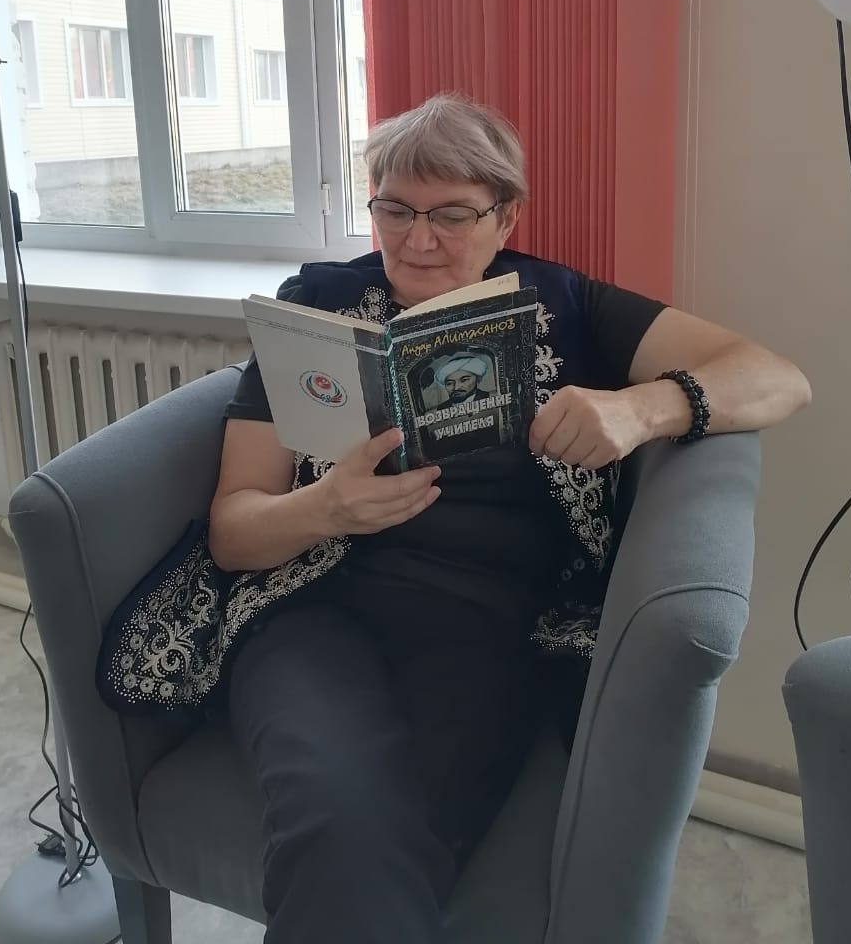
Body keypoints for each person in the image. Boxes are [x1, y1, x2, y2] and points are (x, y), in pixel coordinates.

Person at [98, 94, 811, 944]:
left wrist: (644, 408)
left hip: (487, 628)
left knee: (391, 840)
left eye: (452, 214)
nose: (417, 240)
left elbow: (777, 378)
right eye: (394, 209)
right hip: (311, 610)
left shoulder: (568, 305)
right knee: (335, 815)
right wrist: (324, 507)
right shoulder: (317, 310)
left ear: (506, 217)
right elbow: (233, 529)